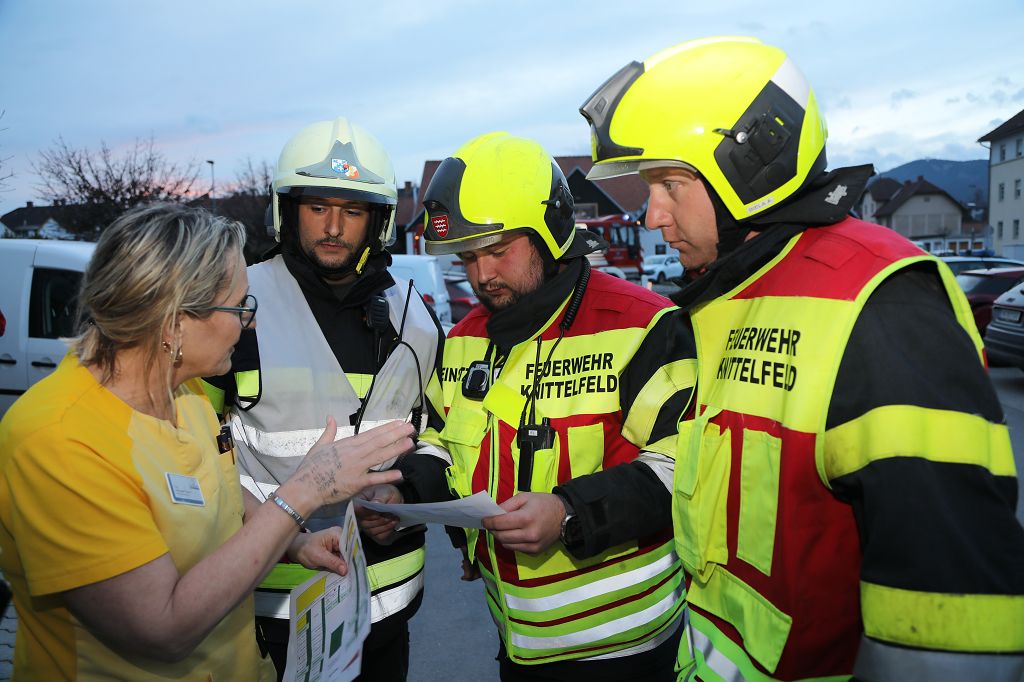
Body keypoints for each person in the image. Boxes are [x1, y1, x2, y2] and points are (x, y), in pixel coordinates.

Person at [580, 36, 1024, 681]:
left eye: (671, 184)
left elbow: (949, 608)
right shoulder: (725, 298)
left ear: (752, 165)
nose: (652, 215)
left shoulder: (878, 300)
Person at [0, 202, 414, 681]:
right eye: (240, 306)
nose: (250, 322)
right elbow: (162, 629)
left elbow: (217, 491)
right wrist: (306, 491)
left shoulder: (186, 393)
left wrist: (295, 544)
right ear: (174, 322)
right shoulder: (59, 440)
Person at [359, 132, 696, 681]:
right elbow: (442, 445)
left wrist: (569, 512)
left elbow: (683, 467)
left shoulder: (644, 326)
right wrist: (404, 492)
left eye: (497, 250)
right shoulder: (467, 339)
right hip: (516, 645)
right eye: (468, 256)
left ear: (552, 233)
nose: (481, 275)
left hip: (625, 652)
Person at [202, 117, 446, 681]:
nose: (334, 227)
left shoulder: (417, 321)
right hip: (269, 610)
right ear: (287, 211)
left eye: (353, 210)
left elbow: (440, 438)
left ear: (378, 221)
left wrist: (403, 486)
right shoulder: (237, 304)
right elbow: (190, 451)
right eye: (317, 207)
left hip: (387, 616)